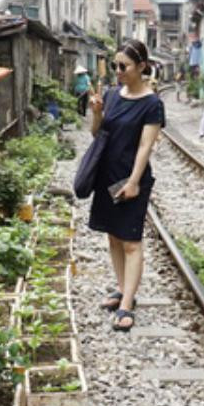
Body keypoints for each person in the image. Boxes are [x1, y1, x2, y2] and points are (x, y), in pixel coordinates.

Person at [86, 38, 165, 332]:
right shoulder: (111, 95)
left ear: (142, 67)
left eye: (124, 66)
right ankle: (122, 289)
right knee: (113, 238)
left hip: (131, 180)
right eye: (116, 65)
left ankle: (127, 304)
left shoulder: (152, 104)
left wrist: (133, 182)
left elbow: (146, 147)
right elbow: (98, 135)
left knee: (131, 242)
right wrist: (96, 113)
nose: (117, 70)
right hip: (106, 177)